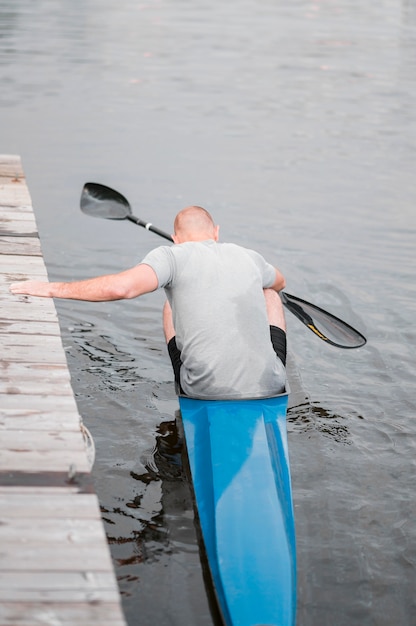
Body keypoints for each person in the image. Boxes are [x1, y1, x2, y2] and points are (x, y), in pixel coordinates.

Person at [10, 205, 287, 400]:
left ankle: (194, 378)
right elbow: (279, 282)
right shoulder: (249, 256)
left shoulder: (170, 255)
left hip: (205, 391)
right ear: (216, 232)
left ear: (176, 238)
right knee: (269, 294)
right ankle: (262, 371)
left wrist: (51, 288)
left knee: (170, 303)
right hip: (272, 386)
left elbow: (123, 288)